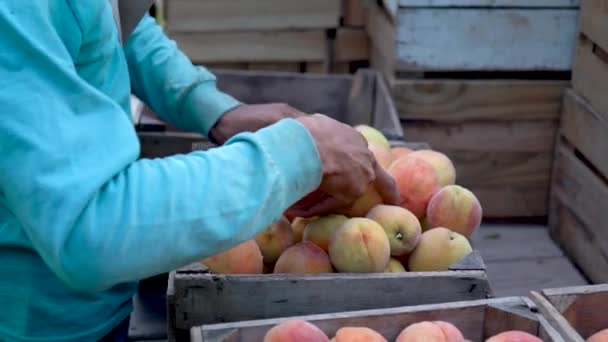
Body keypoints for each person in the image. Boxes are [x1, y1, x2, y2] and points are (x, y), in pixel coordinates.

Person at [0, 1, 399, 341]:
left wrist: (210, 107)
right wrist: (300, 153)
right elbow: (88, 224)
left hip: (93, 307)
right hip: (31, 320)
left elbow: (107, 22)